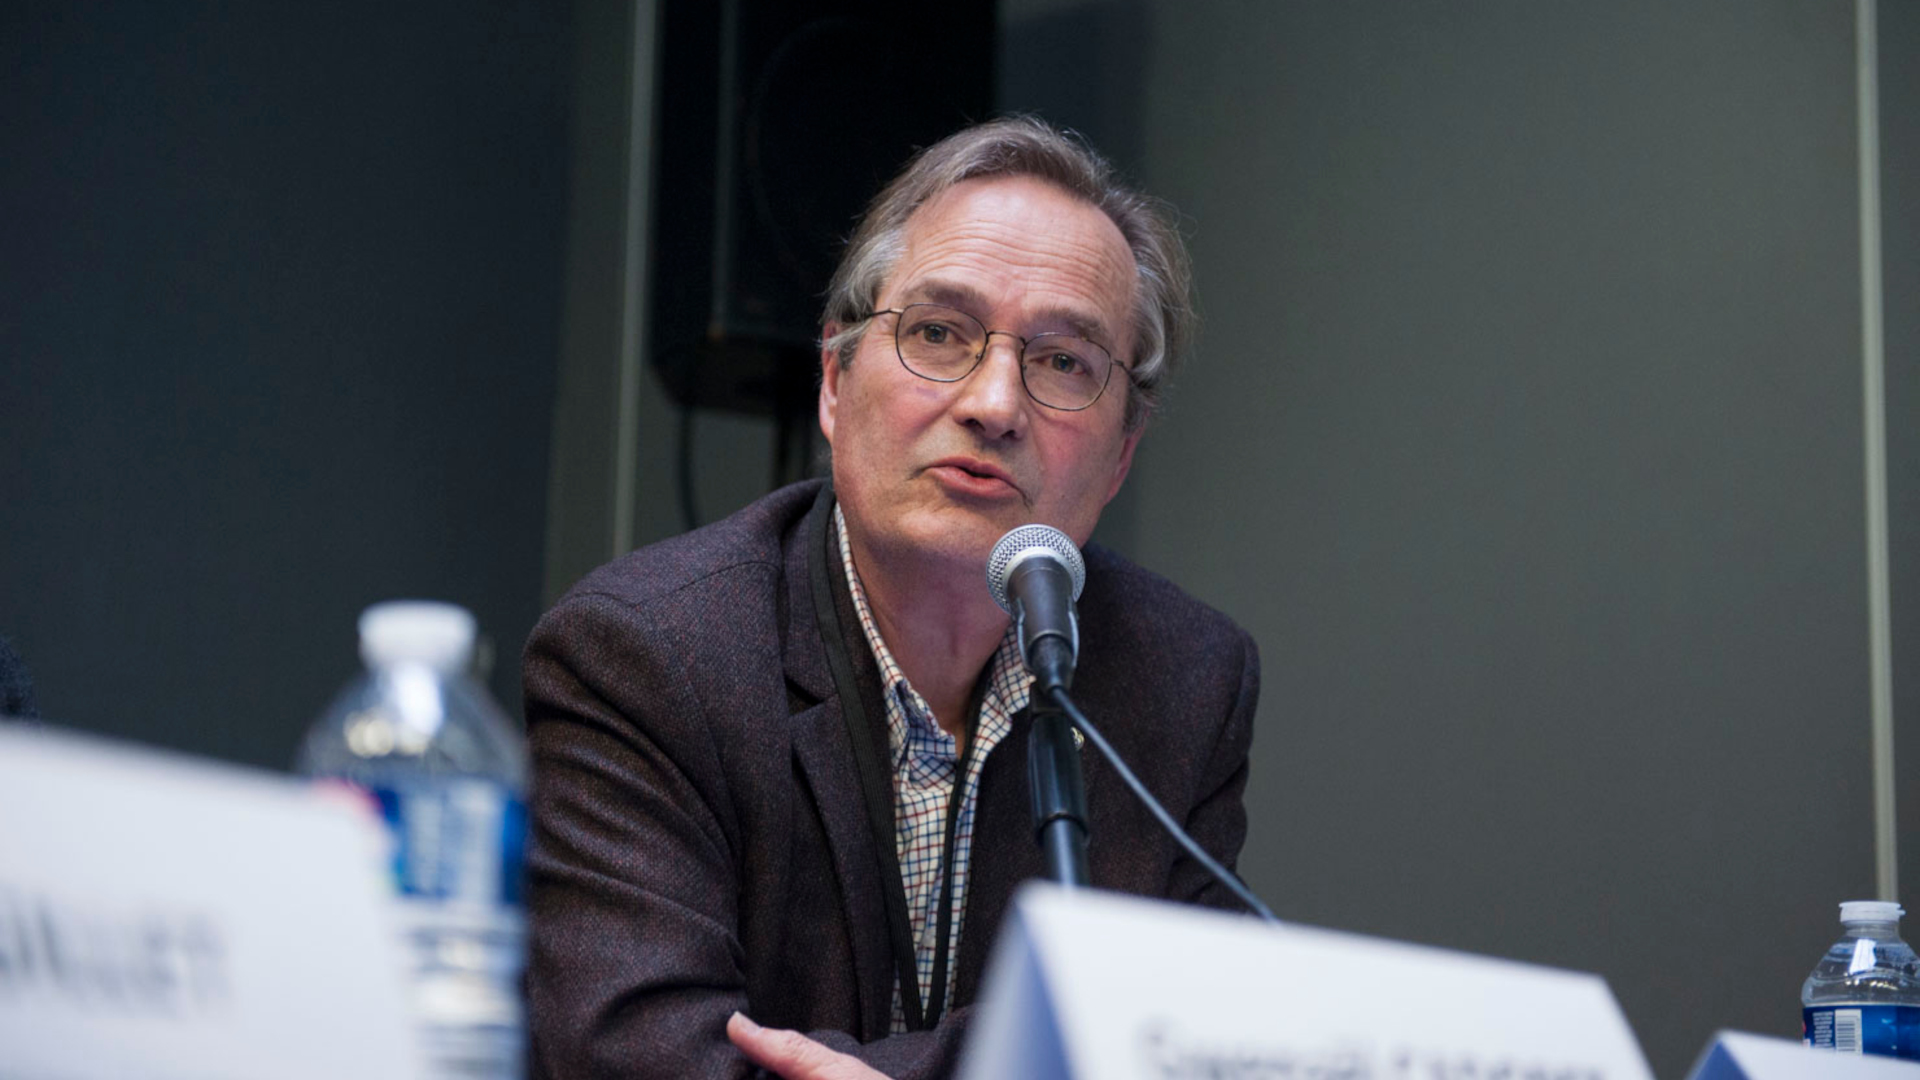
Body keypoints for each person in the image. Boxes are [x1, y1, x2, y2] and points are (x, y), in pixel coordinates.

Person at [522, 116, 1260, 1080]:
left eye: (1064, 362)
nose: (995, 404)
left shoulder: (1184, 681)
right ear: (834, 383)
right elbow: (631, 1057)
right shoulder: (645, 655)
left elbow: (1193, 1047)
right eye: (940, 334)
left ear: (1122, 454)